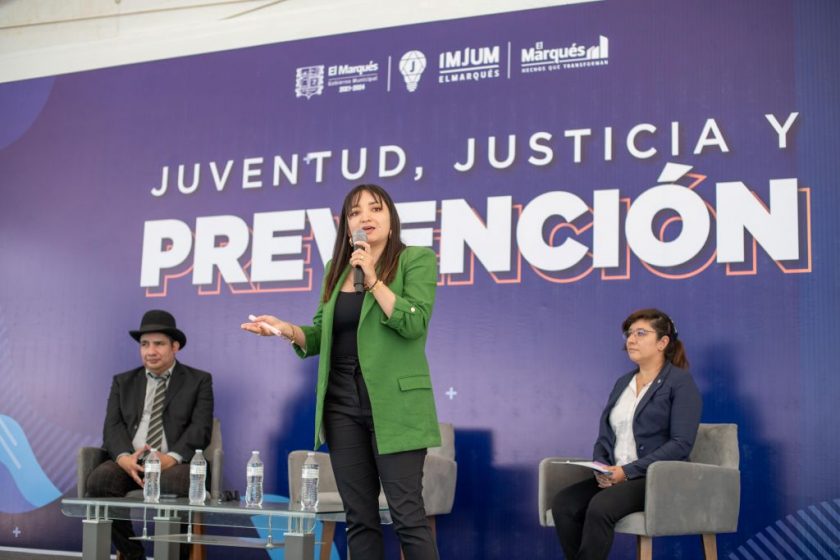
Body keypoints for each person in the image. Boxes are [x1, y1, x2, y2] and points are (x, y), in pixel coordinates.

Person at [242, 183, 441, 560]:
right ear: (347, 225)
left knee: (408, 517)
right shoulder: (336, 270)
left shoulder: (416, 259)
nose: (365, 217)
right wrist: (285, 330)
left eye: (375, 208)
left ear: (391, 218)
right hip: (341, 404)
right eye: (355, 212)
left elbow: (414, 323)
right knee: (359, 518)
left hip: (395, 405)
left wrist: (374, 279)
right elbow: (321, 334)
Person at [551, 308, 702, 560]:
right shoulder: (623, 383)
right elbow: (605, 435)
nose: (631, 339)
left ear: (662, 342)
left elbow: (681, 444)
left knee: (601, 506)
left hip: (654, 479)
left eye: (641, 333)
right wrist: (601, 468)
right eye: (629, 334)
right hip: (617, 475)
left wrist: (627, 471)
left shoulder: (680, 382)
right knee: (564, 504)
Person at [86, 309, 214, 560]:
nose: (150, 351)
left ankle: (173, 556)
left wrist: (172, 458)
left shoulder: (198, 380)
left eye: (158, 344)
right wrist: (123, 458)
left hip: (174, 463)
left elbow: (201, 428)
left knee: (178, 483)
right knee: (100, 482)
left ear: (175, 346)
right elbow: (112, 426)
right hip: (131, 460)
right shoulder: (123, 381)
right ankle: (133, 554)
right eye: (144, 344)